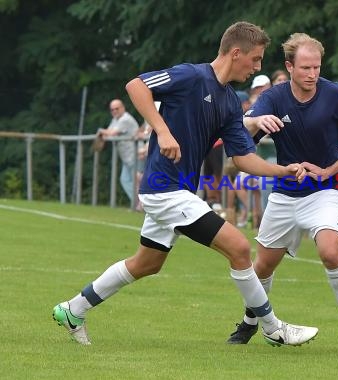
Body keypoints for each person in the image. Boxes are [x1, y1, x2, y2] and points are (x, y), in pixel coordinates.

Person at [52, 21, 318, 347]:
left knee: (147, 263)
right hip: (165, 189)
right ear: (236, 53)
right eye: (256, 59)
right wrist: (162, 131)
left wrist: (283, 171)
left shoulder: (231, 103)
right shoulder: (191, 76)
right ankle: (271, 327)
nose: (258, 67)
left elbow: (242, 159)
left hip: (177, 191)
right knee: (239, 247)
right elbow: (136, 85)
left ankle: (73, 309)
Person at [226, 33, 338, 348]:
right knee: (263, 265)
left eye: (316, 67)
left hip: (328, 188)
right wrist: (256, 121)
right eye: (305, 68)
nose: (312, 75)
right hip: (286, 192)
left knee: (329, 250)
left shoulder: (336, 93)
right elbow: (239, 132)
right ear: (289, 66)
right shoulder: (273, 97)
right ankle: (248, 323)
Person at [97, 99, 139, 204]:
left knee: (138, 181)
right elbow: (109, 133)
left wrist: (100, 131)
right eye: (112, 110)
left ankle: (142, 205)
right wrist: (106, 133)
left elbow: (111, 133)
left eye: (117, 108)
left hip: (136, 155)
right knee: (125, 180)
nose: (114, 111)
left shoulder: (125, 119)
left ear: (123, 108)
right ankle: (137, 204)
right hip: (127, 157)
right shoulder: (116, 120)